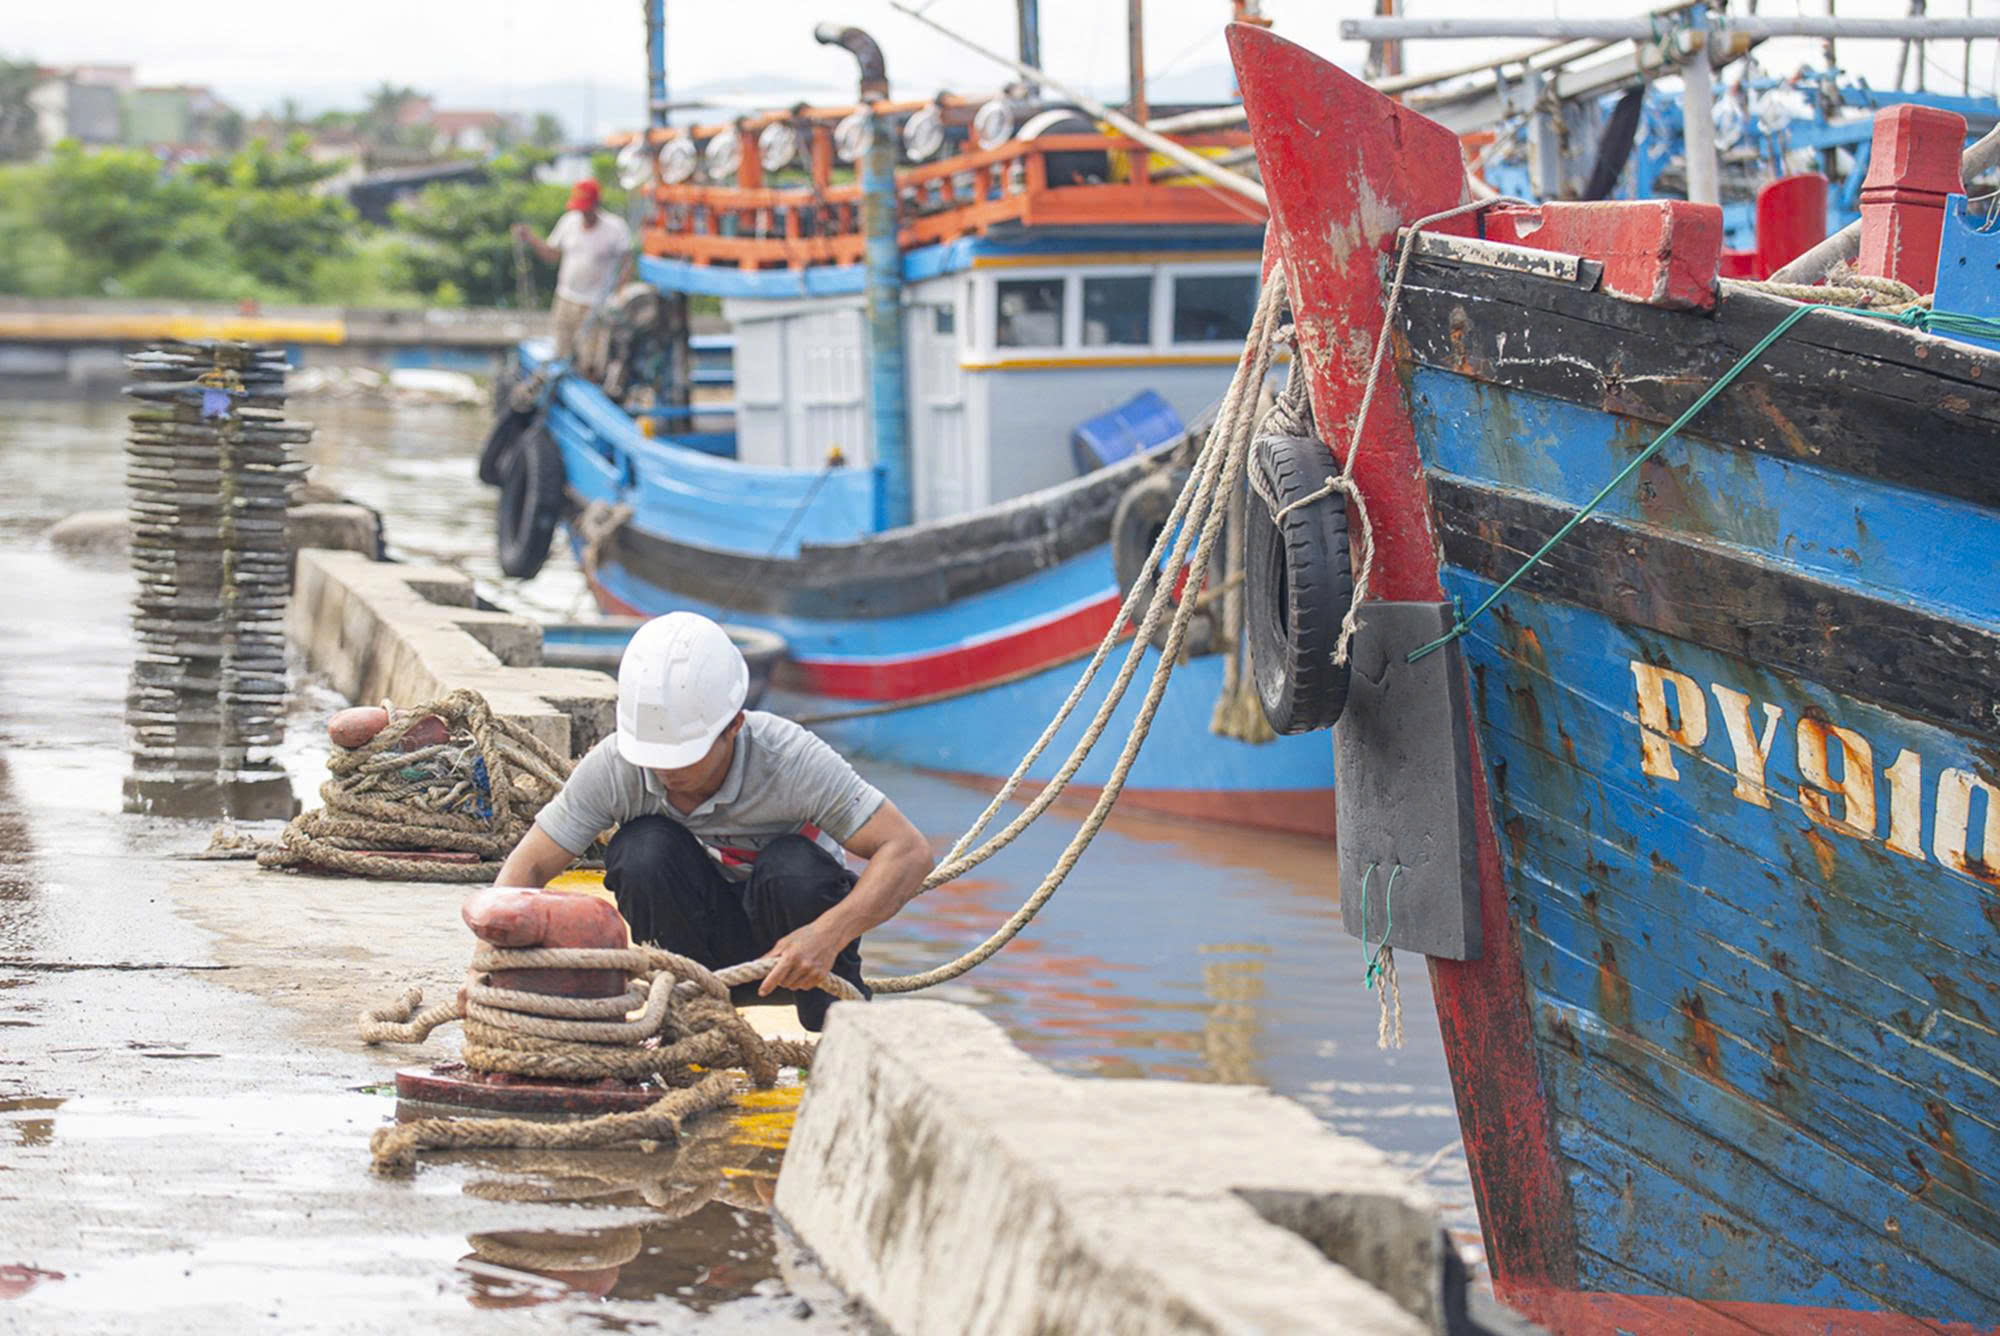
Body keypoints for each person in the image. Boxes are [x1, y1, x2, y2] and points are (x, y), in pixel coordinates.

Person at [493, 611, 934, 1030]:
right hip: (695, 954)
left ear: (734, 725)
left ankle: (834, 1027)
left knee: (792, 866)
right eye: (654, 755)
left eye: (685, 756)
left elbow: (908, 851)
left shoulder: (790, 759)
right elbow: (528, 866)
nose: (665, 771)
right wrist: (488, 969)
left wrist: (826, 935)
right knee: (642, 849)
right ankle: (685, 1015)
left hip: (801, 957)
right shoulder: (619, 765)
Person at [512, 179, 632, 364]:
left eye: (587, 209)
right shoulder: (568, 222)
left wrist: (619, 295)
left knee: (589, 361)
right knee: (561, 353)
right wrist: (530, 238)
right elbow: (552, 255)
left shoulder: (615, 228)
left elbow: (627, 263)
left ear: (596, 204)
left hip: (595, 304)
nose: (583, 213)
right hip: (565, 299)